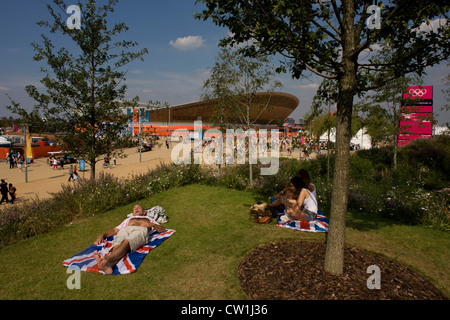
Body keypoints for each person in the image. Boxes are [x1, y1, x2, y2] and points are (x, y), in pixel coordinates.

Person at [93, 204, 166, 274]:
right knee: (116, 245)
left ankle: (107, 259)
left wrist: (152, 225)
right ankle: (109, 264)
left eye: (139, 207)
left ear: (144, 212)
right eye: (134, 208)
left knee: (126, 242)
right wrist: (102, 235)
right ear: (133, 212)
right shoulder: (128, 220)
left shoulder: (148, 219)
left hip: (140, 229)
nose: (136, 208)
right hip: (125, 229)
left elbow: (162, 230)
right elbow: (115, 230)